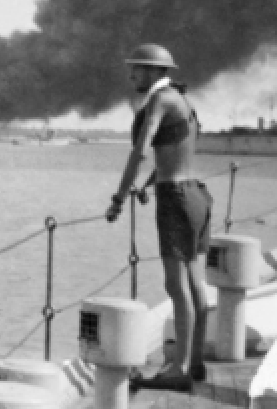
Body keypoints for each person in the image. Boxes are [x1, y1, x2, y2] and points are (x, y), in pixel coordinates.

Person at [105, 43, 212, 392]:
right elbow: (175, 150)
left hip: (176, 200)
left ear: (153, 71)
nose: (131, 74)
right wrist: (150, 184)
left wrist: (119, 198)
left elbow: (141, 151)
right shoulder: (183, 102)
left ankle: (178, 371)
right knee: (195, 284)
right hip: (196, 193)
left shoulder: (159, 100)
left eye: (136, 68)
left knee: (175, 286)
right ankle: (194, 363)